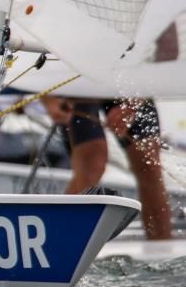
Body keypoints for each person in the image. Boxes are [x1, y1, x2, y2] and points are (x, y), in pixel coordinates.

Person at [42, 96, 172, 240]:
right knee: (92, 162)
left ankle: (162, 245)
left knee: (149, 166)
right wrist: (48, 100)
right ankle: (57, 239)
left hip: (129, 85)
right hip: (80, 89)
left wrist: (131, 106)